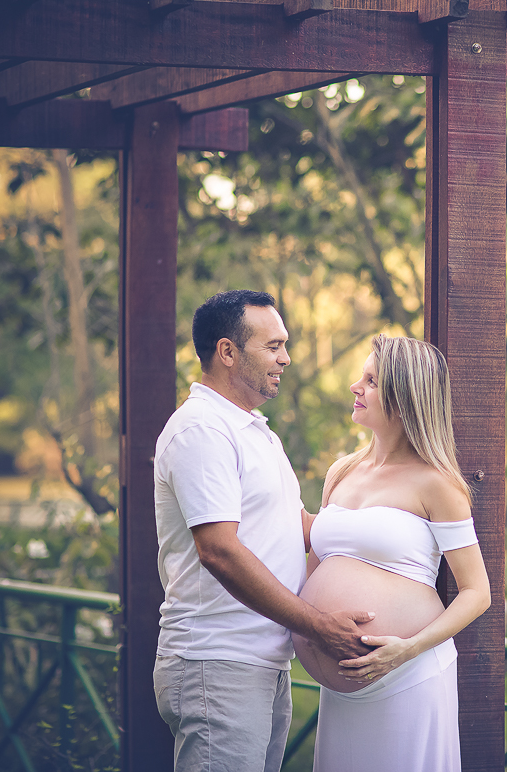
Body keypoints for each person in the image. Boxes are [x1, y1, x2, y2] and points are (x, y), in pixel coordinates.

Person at [153, 290, 374, 772]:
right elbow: (219, 552)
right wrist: (318, 625)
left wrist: (392, 532)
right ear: (228, 351)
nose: (286, 358)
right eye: (272, 346)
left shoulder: (257, 432)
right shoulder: (202, 431)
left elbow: (299, 528)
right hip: (217, 661)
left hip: (263, 661)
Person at [295, 334, 492, 772]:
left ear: (403, 401)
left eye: (371, 380)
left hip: (407, 675)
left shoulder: (437, 483)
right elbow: (314, 568)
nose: (355, 387)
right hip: (342, 688)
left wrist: (407, 648)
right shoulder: (341, 471)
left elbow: (477, 592)